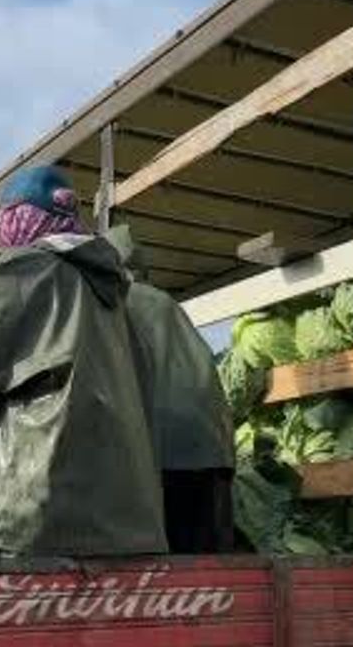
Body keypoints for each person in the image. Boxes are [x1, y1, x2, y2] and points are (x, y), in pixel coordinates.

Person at [0, 165, 167, 557]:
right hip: (123, 529)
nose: (1, 233)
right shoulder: (115, 301)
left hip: (17, 521)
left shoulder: (26, 269)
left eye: (4, 219)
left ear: (17, 216)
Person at [109, 226, 236, 554]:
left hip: (158, 454)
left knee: (158, 571)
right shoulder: (166, 303)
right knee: (207, 568)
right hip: (212, 450)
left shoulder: (112, 300)